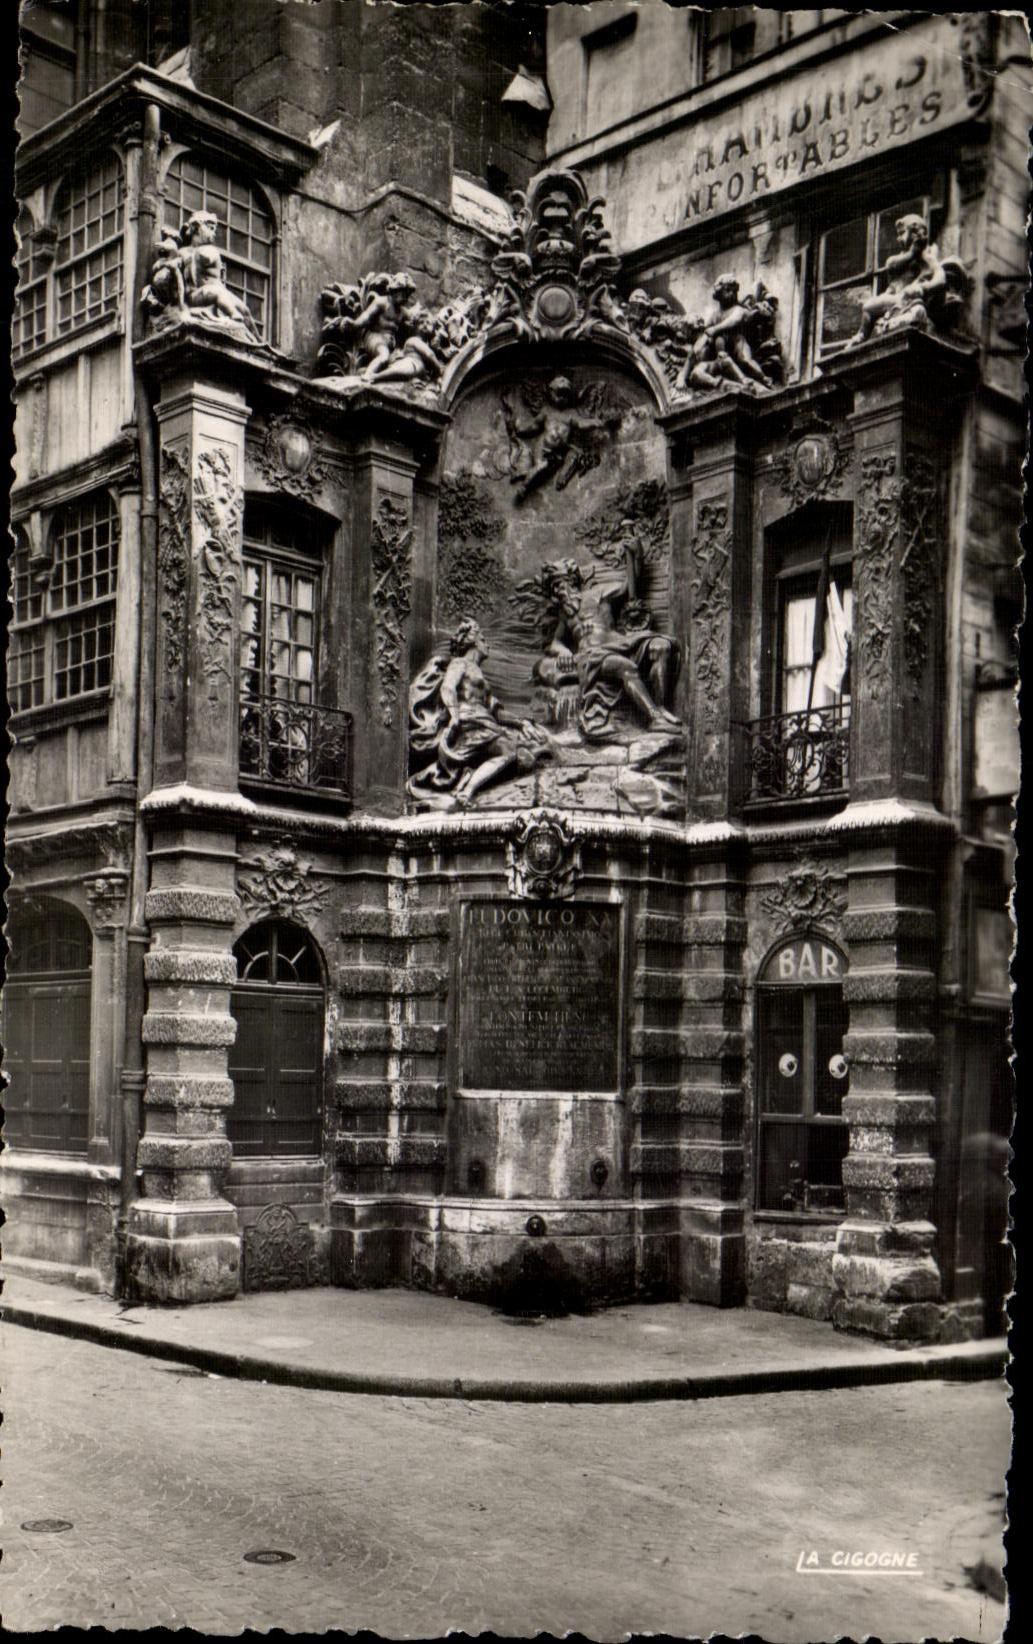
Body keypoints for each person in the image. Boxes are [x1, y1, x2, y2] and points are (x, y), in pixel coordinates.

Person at [532, 538, 681, 739]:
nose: (558, 592)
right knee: (624, 667)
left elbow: (629, 586)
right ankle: (654, 718)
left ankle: (661, 706)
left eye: (559, 585)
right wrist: (565, 652)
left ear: (572, 581)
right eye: (554, 589)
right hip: (592, 656)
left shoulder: (598, 593)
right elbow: (555, 643)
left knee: (662, 646)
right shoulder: (565, 615)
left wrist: (636, 554)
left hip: (619, 643)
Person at [407, 620, 550, 807]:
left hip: (487, 724)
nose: (487, 644)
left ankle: (468, 778)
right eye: (483, 640)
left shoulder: (480, 676)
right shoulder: (460, 663)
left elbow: (498, 712)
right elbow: (448, 688)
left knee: (529, 756)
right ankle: (466, 791)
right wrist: (455, 716)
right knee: (508, 750)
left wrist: (521, 723)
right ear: (473, 641)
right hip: (471, 723)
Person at [846, 214, 946, 346]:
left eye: (902, 233)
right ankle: (862, 333)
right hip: (894, 298)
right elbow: (891, 266)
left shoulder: (926, 259)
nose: (899, 239)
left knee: (870, 307)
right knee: (868, 307)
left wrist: (924, 287)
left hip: (906, 298)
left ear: (914, 234)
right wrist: (912, 253)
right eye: (898, 234)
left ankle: (865, 333)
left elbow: (941, 278)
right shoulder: (899, 259)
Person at [179, 211, 260, 337]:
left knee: (245, 310)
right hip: (196, 295)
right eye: (210, 228)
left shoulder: (209, 250)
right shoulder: (183, 252)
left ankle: (258, 341)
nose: (214, 233)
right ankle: (234, 317)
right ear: (197, 228)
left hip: (217, 292)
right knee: (218, 293)